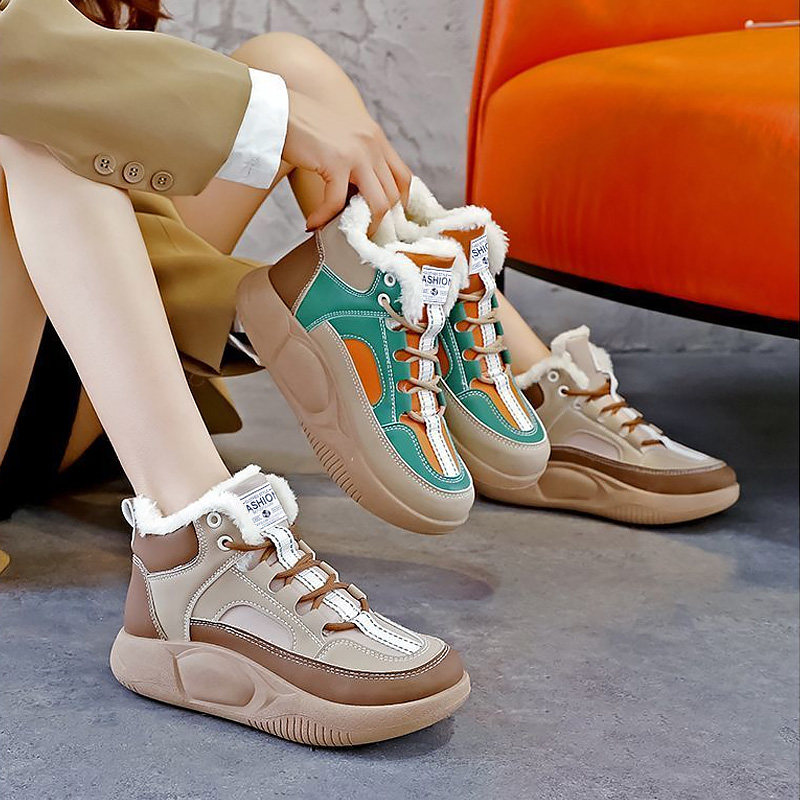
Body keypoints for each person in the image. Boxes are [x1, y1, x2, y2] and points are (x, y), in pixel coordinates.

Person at [0, 0, 738, 744]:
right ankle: (192, 557)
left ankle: (511, 390)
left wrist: (254, 292)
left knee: (288, 66)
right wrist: (271, 134)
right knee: (35, 109)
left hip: (67, 372)